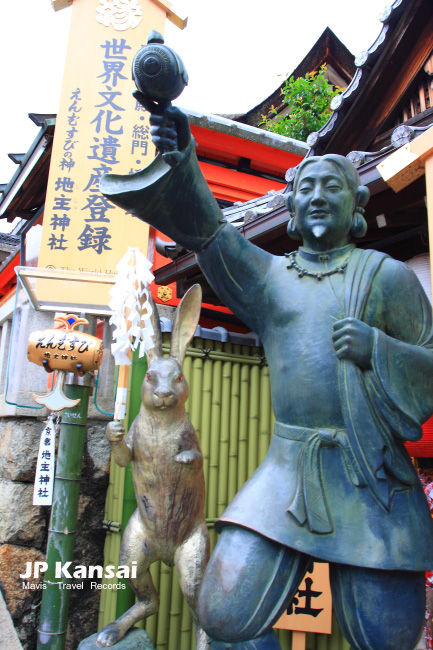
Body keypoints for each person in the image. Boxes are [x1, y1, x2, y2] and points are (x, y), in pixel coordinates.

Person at [100, 103, 433, 650]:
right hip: (287, 471)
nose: (318, 196)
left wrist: (378, 347)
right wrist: (182, 158)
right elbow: (211, 233)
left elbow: (428, 365)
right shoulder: (272, 278)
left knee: (387, 634)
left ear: (356, 206)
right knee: (226, 612)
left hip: (370, 474)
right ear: (293, 209)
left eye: (332, 186)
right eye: (306, 189)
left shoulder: (388, 278)